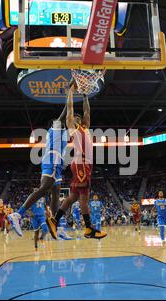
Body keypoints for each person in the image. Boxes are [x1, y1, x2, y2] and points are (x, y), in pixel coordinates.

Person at [47, 82, 106, 240]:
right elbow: (70, 111)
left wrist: (86, 95)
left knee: (72, 197)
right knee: (83, 198)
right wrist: (71, 93)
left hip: (85, 164)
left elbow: (87, 111)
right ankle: (88, 229)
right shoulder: (72, 127)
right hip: (81, 164)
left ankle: (54, 220)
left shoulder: (85, 127)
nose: (78, 118)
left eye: (79, 118)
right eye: (76, 117)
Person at [9, 106, 68, 237]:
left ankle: (56, 225)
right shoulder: (55, 129)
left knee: (56, 192)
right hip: (52, 159)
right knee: (45, 188)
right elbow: (64, 115)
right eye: (59, 121)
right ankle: (18, 214)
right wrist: (70, 98)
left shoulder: (62, 133)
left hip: (57, 162)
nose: (62, 122)